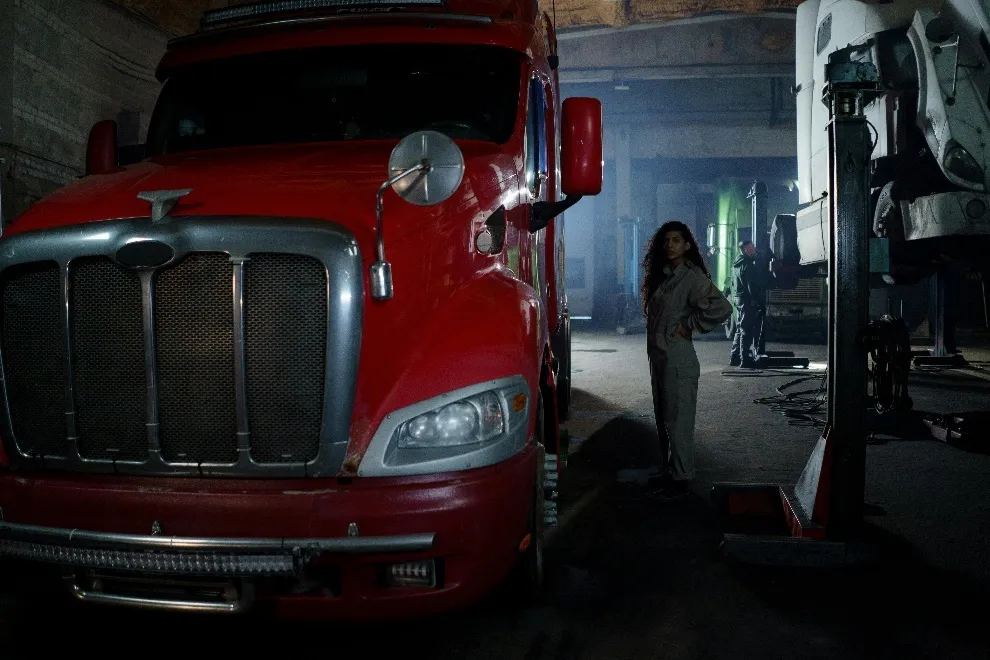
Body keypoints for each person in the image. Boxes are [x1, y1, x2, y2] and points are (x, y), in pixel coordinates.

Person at [642, 221, 733, 498]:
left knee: (678, 421)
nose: (670, 244)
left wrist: (689, 324)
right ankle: (671, 471)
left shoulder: (691, 278)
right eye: (666, 240)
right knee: (664, 418)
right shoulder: (669, 276)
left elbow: (723, 307)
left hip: (678, 362)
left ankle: (681, 478)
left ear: (687, 245)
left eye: (676, 240)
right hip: (661, 359)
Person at [729, 240, 768, 367]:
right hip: (746, 300)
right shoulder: (748, 265)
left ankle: (734, 356)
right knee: (747, 329)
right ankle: (744, 360)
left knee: (740, 329)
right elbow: (751, 286)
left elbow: (734, 283)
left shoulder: (736, 264)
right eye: (751, 248)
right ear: (745, 250)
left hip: (738, 298)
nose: (754, 250)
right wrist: (757, 301)